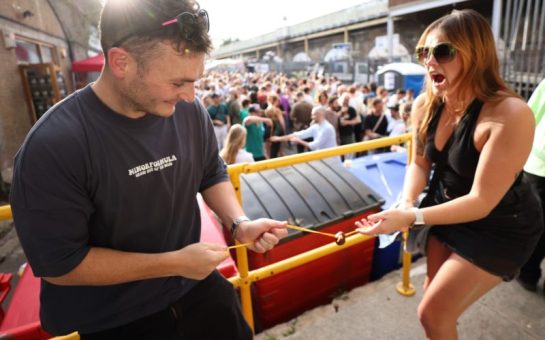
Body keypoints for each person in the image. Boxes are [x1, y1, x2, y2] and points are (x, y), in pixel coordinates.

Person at [9, 1, 287, 339]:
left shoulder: (188, 111)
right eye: (177, 83)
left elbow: (210, 172)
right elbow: (61, 265)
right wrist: (174, 262)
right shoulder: (54, 145)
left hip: (199, 292)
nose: (189, 96)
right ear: (121, 62)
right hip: (116, 319)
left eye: (195, 81)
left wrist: (239, 223)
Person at [356, 9, 543, 340]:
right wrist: (406, 203)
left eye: (442, 51)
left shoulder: (509, 114)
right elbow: (419, 164)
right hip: (446, 210)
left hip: (500, 224)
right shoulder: (425, 105)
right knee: (433, 295)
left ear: (476, 54)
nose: (429, 61)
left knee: (431, 313)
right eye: (423, 52)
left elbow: (482, 200)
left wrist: (411, 216)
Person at [518, 78, 545, 292]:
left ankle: (527, 274)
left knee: (534, 225)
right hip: (538, 167)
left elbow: (530, 116)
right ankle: (528, 273)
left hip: (538, 167)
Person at [271, 106, 337, 152]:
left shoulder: (327, 128)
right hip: (324, 160)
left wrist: (299, 141)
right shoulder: (316, 126)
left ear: (320, 114)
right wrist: (279, 138)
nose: (311, 117)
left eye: (313, 115)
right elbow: (299, 134)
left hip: (330, 161)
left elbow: (314, 145)